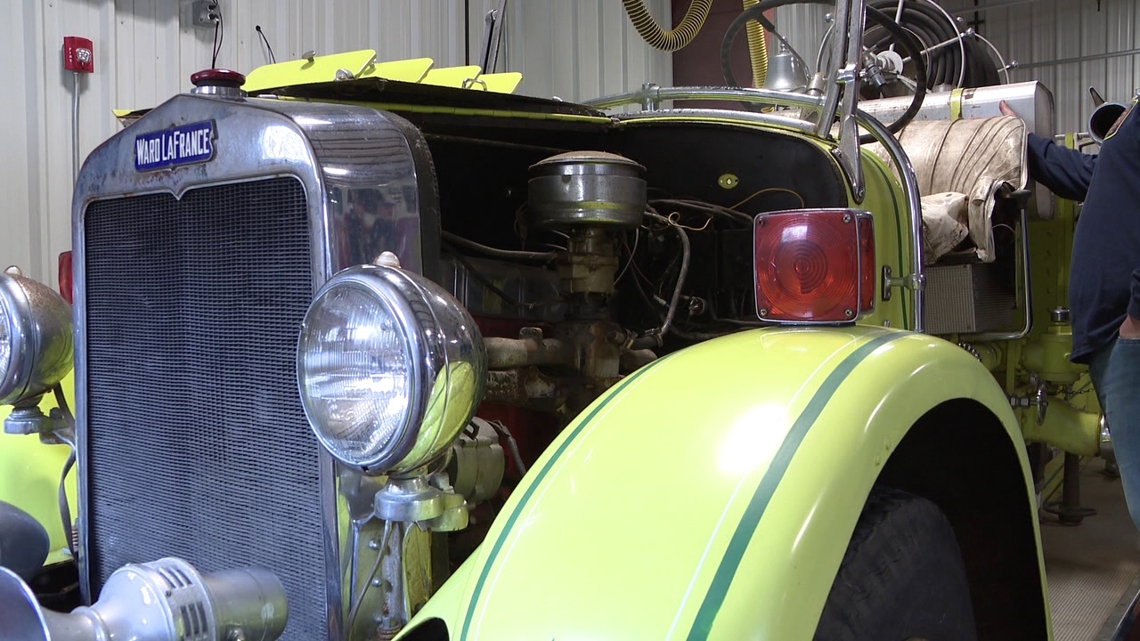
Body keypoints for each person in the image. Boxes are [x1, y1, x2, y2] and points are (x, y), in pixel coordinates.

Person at [1001, 96, 1140, 529]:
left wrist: (1136, 319)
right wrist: (1023, 141)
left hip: (1129, 336)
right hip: (1115, 336)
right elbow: (1093, 176)